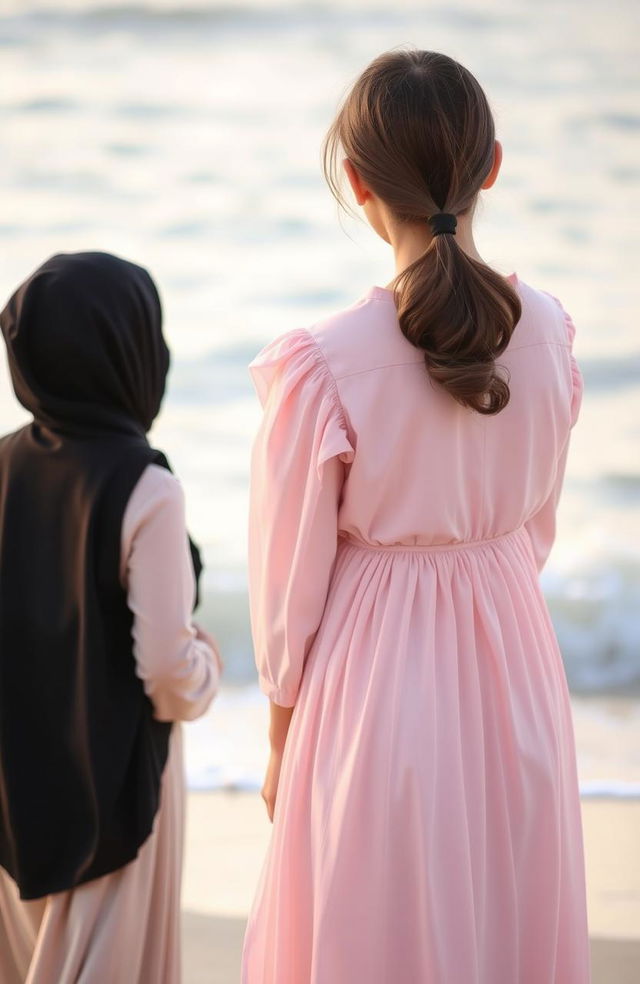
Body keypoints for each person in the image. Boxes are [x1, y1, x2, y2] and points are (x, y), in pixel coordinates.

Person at [241, 50, 590, 984]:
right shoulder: (552, 331)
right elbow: (535, 530)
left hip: (376, 682)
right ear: (493, 168)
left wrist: (281, 742)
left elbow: (289, 589)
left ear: (356, 186)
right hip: (517, 662)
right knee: (504, 920)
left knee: (374, 932)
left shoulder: (324, 364)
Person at [0, 251, 221, 984]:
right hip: (115, 793)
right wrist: (207, 670)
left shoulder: (1, 465)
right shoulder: (145, 485)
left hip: (11, 792)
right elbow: (164, 672)